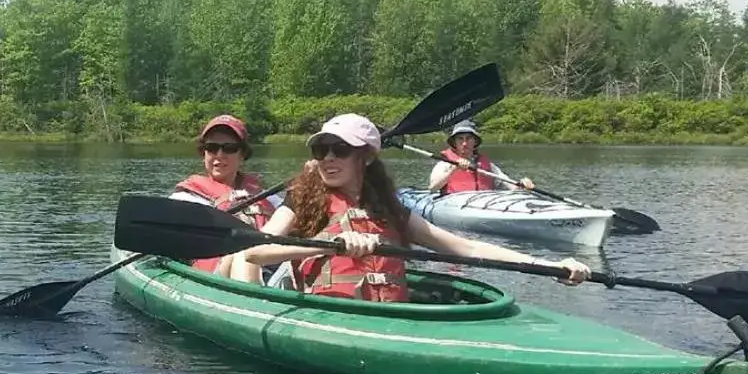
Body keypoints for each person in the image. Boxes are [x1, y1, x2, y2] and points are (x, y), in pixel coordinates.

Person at [240, 114, 588, 300]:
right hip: (327, 317)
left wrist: (549, 265)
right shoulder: (302, 198)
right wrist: (333, 245)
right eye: (321, 151)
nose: (328, 158)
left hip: (391, 320)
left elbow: (467, 247)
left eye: (340, 150)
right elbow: (254, 252)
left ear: (366, 156)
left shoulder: (391, 211)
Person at [167, 114, 275, 281]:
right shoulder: (184, 199)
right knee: (242, 256)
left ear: (242, 154)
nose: (219, 154)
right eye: (212, 147)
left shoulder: (268, 198)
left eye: (229, 148)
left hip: (269, 273)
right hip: (216, 278)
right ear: (203, 153)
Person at [427, 120, 533, 195]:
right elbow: (433, 188)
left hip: (483, 204)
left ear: (475, 141)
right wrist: (454, 169)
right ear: (454, 143)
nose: (464, 143)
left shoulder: (488, 166)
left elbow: (511, 186)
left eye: (468, 139)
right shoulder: (445, 164)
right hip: (455, 204)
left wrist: (523, 187)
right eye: (460, 139)